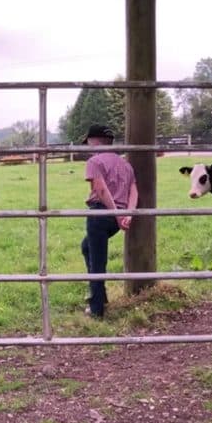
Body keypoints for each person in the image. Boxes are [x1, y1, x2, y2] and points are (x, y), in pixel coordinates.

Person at [80, 124, 138, 318]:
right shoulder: (125, 164)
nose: (88, 146)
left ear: (95, 141)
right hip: (116, 217)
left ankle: (97, 309)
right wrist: (126, 214)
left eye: (88, 142)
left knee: (98, 262)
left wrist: (116, 214)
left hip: (101, 213)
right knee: (86, 247)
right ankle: (101, 296)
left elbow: (101, 189)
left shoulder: (95, 161)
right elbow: (133, 191)